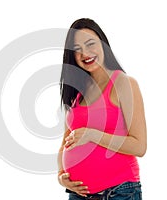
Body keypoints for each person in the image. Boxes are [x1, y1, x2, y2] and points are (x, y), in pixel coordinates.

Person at [58, 18, 147, 200]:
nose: (85, 53)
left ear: (103, 44)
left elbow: (139, 146)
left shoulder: (124, 83)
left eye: (91, 44)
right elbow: (65, 142)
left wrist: (92, 135)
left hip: (118, 192)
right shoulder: (77, 92)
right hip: (78, 194)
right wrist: (61, 176)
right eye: (77, 50)